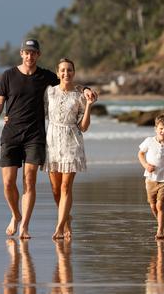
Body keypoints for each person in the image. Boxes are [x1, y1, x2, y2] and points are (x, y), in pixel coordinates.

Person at [0, 38, 96, 239]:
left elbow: (66, 82)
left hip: (35, 136)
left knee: (30, 181)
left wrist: (85, 88)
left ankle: (24, 225)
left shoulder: (45, 77)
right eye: (26, 52)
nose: (29, 56)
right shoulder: (8, 75)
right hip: (11, 134)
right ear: (21, 54)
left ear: (38, 55)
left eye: (33, 53)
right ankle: (16, 215)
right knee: (8, 183)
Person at [44, 58, 95, 240]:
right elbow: (36, 111)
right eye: (63, 70)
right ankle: (66, 219)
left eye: (70, 70)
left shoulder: (80, 95)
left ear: (74, 72)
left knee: (66, 187)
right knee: (56, 190)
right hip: (52, 143)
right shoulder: (49, 92)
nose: (66, 73)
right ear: (57, 73)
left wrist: (88, 105)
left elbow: (84, 127)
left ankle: (60, 226)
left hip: (72, 142)